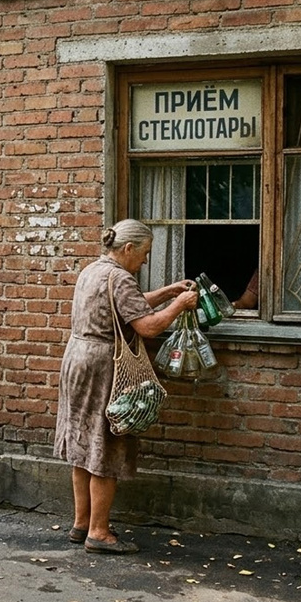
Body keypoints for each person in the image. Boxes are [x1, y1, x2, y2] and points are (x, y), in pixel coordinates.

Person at [54, 219, 197, 555]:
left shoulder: (94, 270)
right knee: (105, 443)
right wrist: (179, 305)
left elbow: (124, 304)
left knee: (82, 443)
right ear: (128, 248)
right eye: (144, 254)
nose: (145, 261)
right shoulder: (119, 276)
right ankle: (99, 533)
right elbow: (147, 326)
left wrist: (166, 292)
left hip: (77, 359)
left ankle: (81, 523)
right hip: (103, 365)